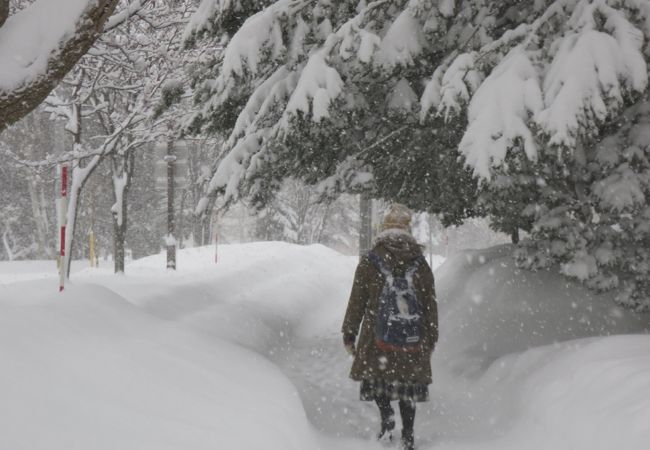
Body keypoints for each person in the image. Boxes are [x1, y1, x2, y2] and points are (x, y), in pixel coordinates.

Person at [342, 204, 438, 450]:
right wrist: (432, 336)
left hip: (378, 335)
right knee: (408, 384)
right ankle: (408, 434)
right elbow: (429, 303)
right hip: (413, 338)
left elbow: (357, 300)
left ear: (384, 228)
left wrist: (350, 331)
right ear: (408, 229)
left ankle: (387, 421)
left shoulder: (370, 261)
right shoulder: (420, 263)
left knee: (378, 380)